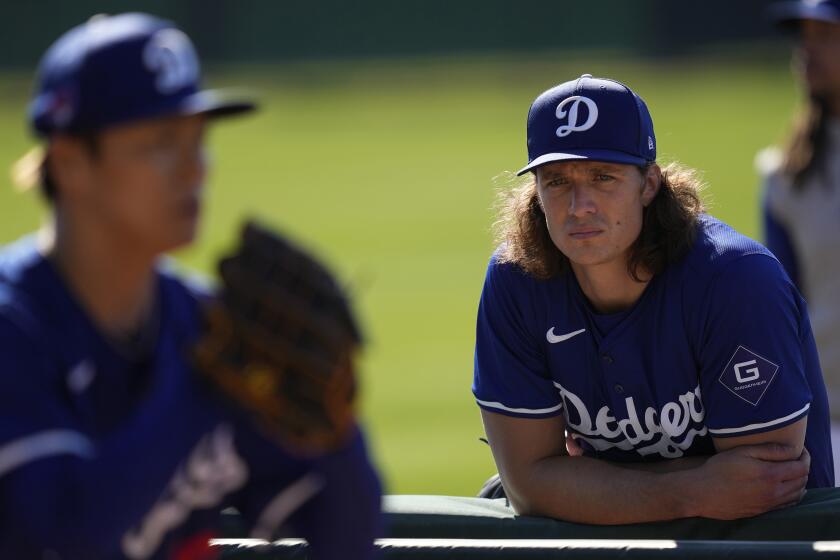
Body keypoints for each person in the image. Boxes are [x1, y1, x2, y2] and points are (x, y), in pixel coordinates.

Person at [0, 13, 381, 559]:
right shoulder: (16, 332)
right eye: (160, 142)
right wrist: (203, 392)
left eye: (197, 140)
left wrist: (336, 431)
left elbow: (342, 534)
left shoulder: (200, 324)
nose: (195, 169)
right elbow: (63, 536)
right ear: (70, 163)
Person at [472, 74, 834, 524]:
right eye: (557, 180)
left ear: (648, 185)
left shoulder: (735, 281)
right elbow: (527, 485)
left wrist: (582, 479)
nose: (579, 204)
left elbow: (762, 485)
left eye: (603, 176)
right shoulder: (516, 280)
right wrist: (689, 490)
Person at [760, 0, 840, 486]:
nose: (808, 52)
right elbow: (783, 308)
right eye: (803, 39)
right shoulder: (783, 174)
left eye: (827, 36)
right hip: (825, 414)